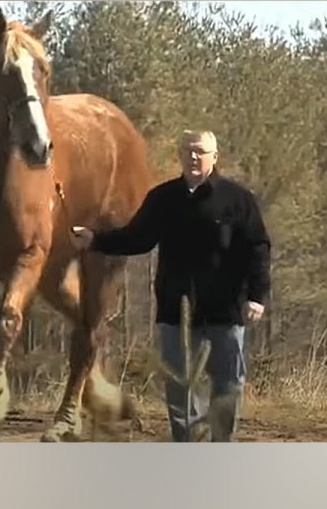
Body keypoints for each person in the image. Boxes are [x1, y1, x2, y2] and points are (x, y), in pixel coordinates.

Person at [70, 129, 271, 442]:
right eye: (188, 150)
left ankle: (221, 446)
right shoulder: (163, 199)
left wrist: (256, 297)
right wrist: (95, 240)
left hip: (225, 313)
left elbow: (257, 248)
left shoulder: (237, 199)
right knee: (178, 389)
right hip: (175, 311)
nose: (193, 156)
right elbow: (136, 238)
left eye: (200, 151)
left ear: (215, 157)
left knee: (228, 384)